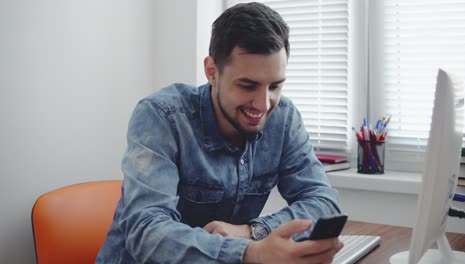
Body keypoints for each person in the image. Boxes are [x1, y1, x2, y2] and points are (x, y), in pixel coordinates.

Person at [96, 2, 343, 263]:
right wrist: (249, 253)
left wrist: (252, 232)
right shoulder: (161, 117)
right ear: (212, 72)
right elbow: (146, 232)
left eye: (275, 86)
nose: (263, 104)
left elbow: (323, 202)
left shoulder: (283, 117)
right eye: (248, 86)